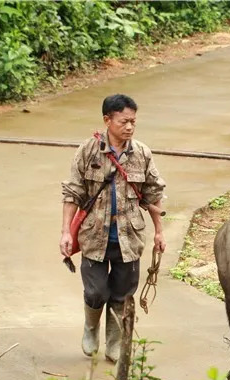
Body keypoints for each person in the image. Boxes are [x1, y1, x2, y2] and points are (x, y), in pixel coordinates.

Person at [60, 94, 166, 363]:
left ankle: (114, 341)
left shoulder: (142, 153)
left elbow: (154, 195)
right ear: (107, 120)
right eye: (123, 121)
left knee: (122, 293)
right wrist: (65, 232)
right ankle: (91, 327)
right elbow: (72, 192)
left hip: (129, 238)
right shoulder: (88, 151)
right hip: (95, 236)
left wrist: (159, 232)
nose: (129, 127)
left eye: (133, 121)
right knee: (96, 292)